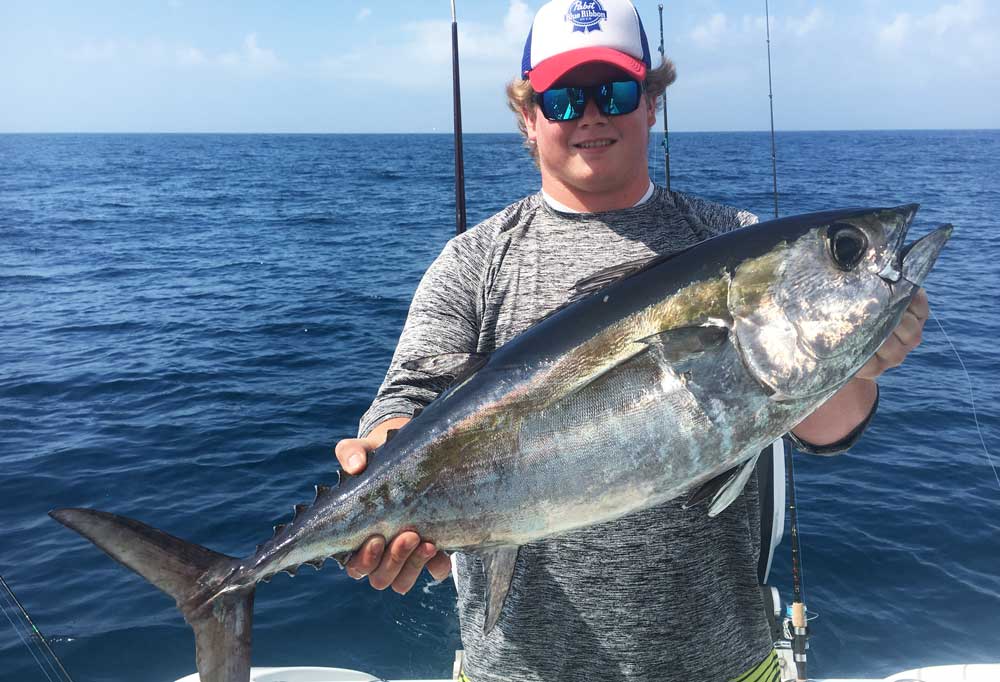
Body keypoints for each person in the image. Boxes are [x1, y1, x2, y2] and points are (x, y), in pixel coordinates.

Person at [334, 1, 930, 680]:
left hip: (721, 666)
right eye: (563, 99)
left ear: (651, 103)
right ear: (528, 117)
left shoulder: (727, 235)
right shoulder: (474, 263)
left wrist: (861, 354)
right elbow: (405, 399)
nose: (591, 115)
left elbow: (825, 425)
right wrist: (385, 457)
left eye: (614, 92)